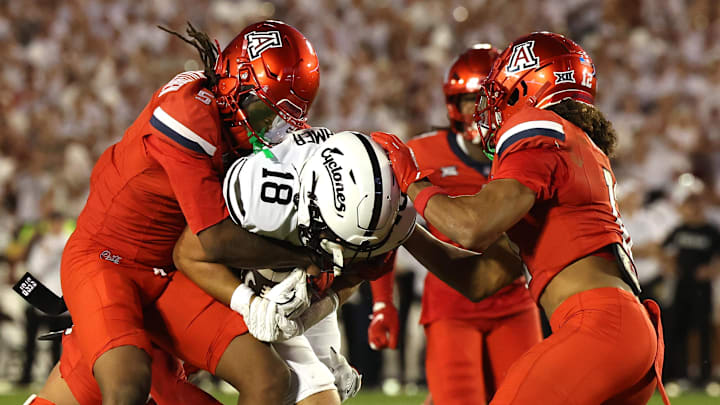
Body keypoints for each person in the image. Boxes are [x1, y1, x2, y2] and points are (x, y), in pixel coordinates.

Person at [372, 32, 670, 404]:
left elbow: (471, 227)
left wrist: (411, 175)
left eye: (500, 92)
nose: (492, 106)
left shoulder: (538, 128)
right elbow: (481, 280)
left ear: (526, 86)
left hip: (597, 328)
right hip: (629, 337)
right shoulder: (574, 147)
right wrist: (405, 230)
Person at [54, 20, 321, 405]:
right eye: (265, 113)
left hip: (168, 275)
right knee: (127, 385)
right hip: (105, 260)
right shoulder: (187, 111)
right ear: (234, 83)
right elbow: (214, 238)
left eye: (281, 121)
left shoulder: (235, 122)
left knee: (269, 379)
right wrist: (308, 255)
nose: (269, 131)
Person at [173, 128, 416, 404]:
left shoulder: (388, 214)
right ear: (312, 197)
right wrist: (249, 303)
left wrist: (313, 313)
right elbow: (188, 254)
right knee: (312, 395)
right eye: (335, 239)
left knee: (328, 385)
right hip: (234, 277)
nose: (341, 253)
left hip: (304, 288)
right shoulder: (265, 186)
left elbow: (355, 274)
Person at [368, 45, 542, 404]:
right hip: (451, 298)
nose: (477, 111)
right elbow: (386, 221)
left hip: (514, 298)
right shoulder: (424, 152)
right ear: (453, 104)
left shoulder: (528, 152)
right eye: (469, 100)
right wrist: (383, 302)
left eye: (486, 99)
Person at [663, 192, 720, 388]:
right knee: (677, 329)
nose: (694, 209)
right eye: (691, 205)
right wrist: (669, 265)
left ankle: (704, 378)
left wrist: (712, 270)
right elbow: (662, 249)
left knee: (703, 330)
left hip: (702, 288)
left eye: (697, 205)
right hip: (682, 286)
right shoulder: (679, 229)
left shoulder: (711, 231)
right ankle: (678, 376)